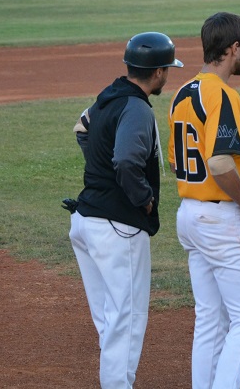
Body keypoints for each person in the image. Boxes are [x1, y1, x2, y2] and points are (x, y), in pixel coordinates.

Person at [68, 31, 184, 389]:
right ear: (160, 72)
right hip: (116, 229)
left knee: (110, 318)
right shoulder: (136, 108)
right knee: (127, 318)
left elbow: (81, 129)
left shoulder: (108, 96)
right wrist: (143, 198)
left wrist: (100, 169)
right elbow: (126, 161)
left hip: (85, 222)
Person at [167, 12, 240, 389]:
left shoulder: (185, 91)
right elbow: (220, 161)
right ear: (233, 48)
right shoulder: (223, 94)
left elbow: (181, 159)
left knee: (210, 317)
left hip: (190, 214)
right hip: (220, 218)